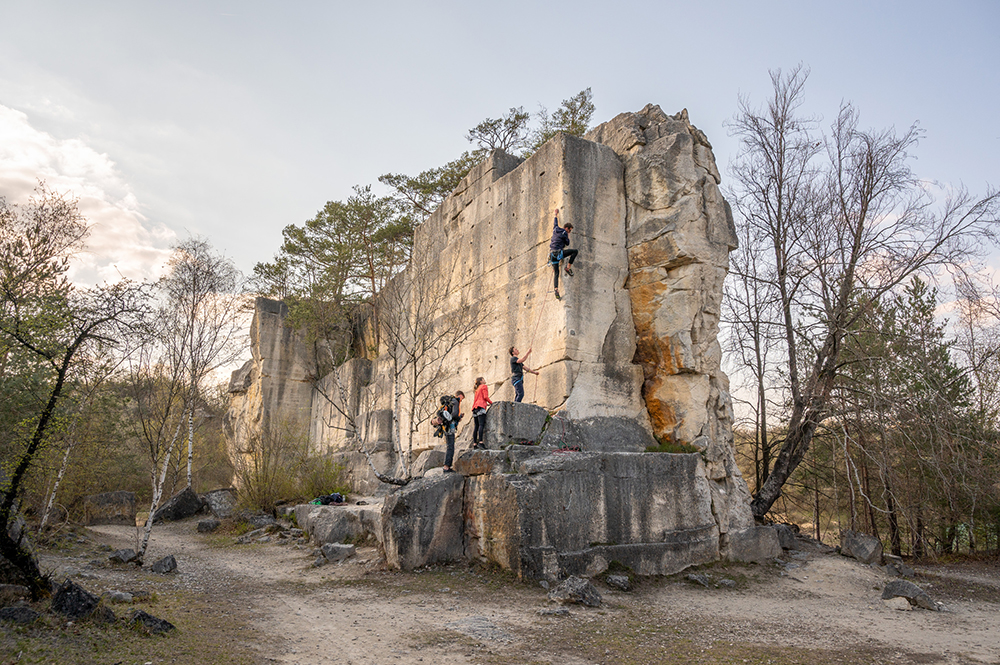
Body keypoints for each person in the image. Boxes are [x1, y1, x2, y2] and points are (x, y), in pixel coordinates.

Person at [548, 207, 578, 299]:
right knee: (575, 251)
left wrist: (555, 214)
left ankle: (556, 289)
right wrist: (567, 234)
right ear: (567, 228)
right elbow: (567, 243)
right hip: (558, 254)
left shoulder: (555, 229)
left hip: (551, 255)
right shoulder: (565, 232)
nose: (569, 232)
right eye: (570, 230)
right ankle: (568, 268)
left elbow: (555, 222)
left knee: (556, 273)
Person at [441, 390, 464, 472]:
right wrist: (459, 417)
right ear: (460, 395)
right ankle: (446, 467)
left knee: (449, 446)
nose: (462, 400)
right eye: (462, 398)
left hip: (445, 425)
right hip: (450, 426)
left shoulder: (450, 401)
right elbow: (454, 414)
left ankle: (446, 466)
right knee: (451, 447)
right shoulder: (455, 401)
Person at [471, 377, 492, 448]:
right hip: (480, 407)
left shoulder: (477, 389)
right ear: (481, 381)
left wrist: (486, 403)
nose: (484, 380)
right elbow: (485, 397)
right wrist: (491, 403)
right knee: (481, 425)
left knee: (476, 426)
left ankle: (474, 444)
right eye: (483, 379)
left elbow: (478, 399)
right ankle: (480, 442)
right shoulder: (484, 386)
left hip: (475, 408)